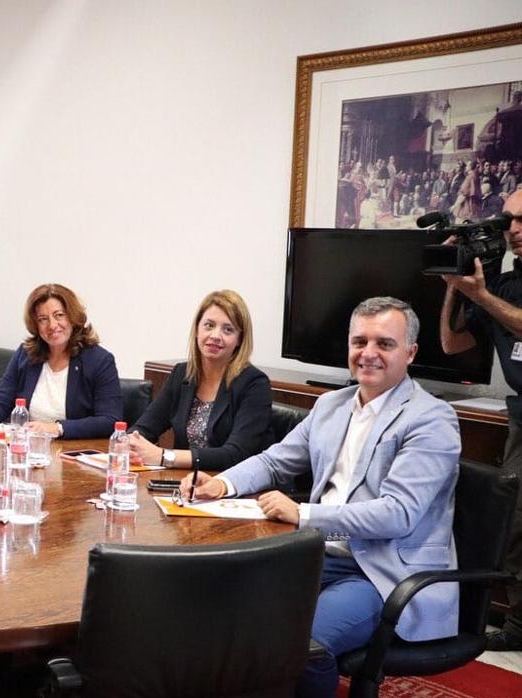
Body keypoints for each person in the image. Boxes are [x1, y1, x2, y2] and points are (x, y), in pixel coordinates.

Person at [181, 297, 460, 698]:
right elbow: (277, 460)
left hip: (383, 573)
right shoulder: (332, 405)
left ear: (410, 352)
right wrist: (220, 484)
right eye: (359, 341)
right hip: (317, 555)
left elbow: (397, 514)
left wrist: (304, 513)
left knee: (304, 644)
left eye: (384, 344)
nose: (368, 354)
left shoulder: (431, 419)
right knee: (220, 603)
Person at [438, 187, 522, 650]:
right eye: (508, 220)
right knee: (515, 525)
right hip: (519, 418)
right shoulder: (506, 285)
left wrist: (482, 296)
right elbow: (454, 345)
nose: (513, 230)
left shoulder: (499, 294)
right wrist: (454, 288)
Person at [128, 290, 272, 469]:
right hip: (185, 483)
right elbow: (145, 428)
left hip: (231, 486)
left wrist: (165, 456)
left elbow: (236, 454)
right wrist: (130, 443)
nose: (215, 335)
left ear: (239, 340)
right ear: (197, 330)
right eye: (209, 325)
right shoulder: (183, 373)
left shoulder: (254, 384)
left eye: (228, 330)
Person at [0, 283, 121, 439]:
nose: (52, 325)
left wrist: (57, 428)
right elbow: (2, 400)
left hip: (71, 452)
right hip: (26, 448)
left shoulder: (99, 360)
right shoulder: (26, 354)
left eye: (59, 315)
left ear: (73, 317)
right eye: (43, 319)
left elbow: (109, 420)